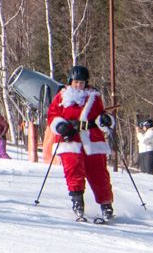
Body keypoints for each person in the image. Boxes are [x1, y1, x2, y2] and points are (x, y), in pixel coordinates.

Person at [48, 64, 115, 223]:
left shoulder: (94, 96)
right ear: (71, 81)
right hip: (70, 140)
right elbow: (52, 116)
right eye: (76, 82)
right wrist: (60, 125)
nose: (79, 85)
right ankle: (78, 203)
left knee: (99, 173)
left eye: (82, 82)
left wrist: (105, 120)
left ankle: (106, 205)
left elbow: (100, 115)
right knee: (73, 171)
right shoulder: (62, 97)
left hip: (92, 140)